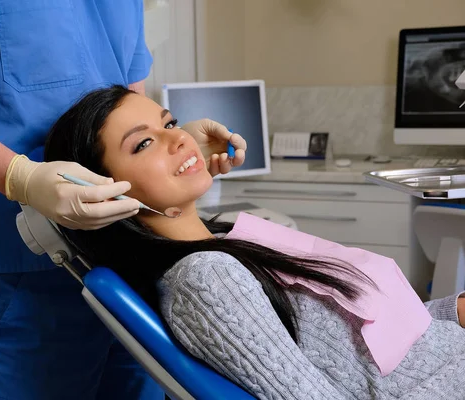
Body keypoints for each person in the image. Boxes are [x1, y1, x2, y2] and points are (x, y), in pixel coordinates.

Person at [0, 1, 246, 399]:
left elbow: (127, 100)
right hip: (30, 265)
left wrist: (174, 148)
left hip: (131, 257)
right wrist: (22, 177)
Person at [43, 85, 465, 400]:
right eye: (144, 142)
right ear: (107, 193)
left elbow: (359, 342)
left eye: (169, 122)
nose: (181, 138)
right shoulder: (207, 279)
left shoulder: (224, 239)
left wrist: (451, 312)